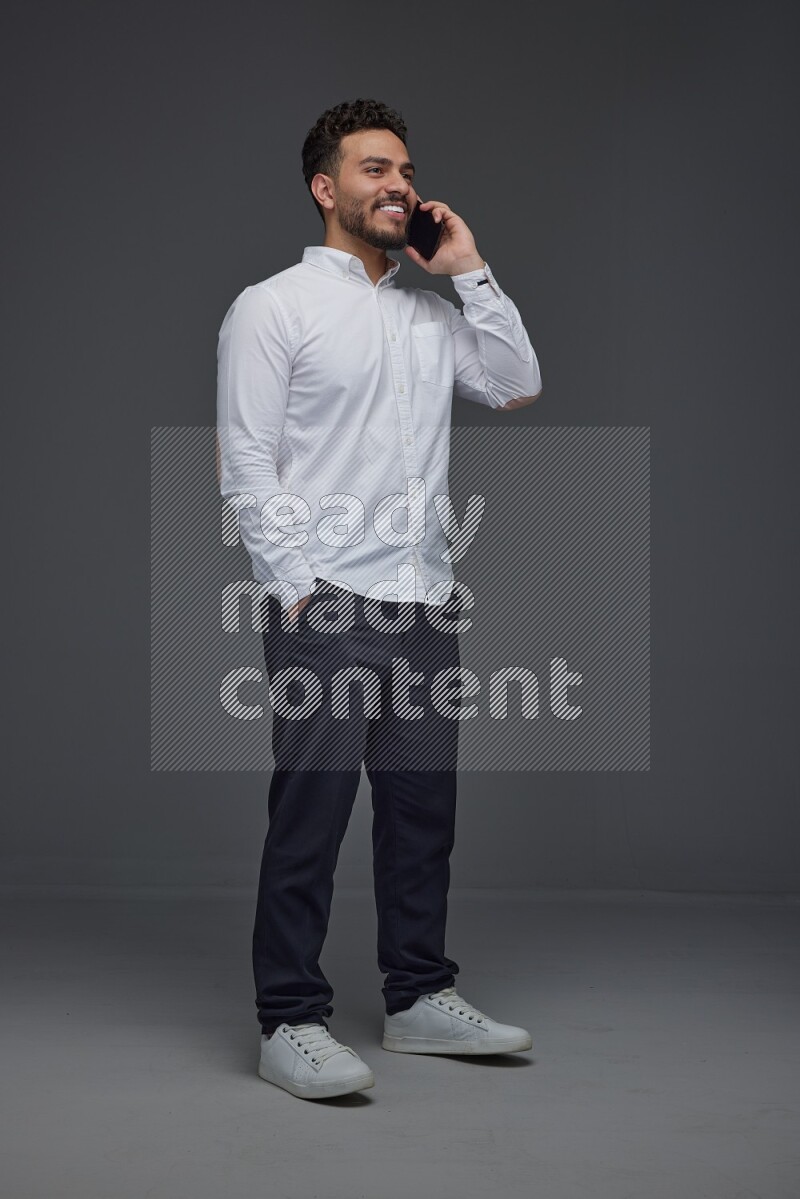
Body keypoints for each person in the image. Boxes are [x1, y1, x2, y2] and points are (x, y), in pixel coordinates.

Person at [216, 98, 542, 1101]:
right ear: (326, 188)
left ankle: (415, 998)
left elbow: (516, 382)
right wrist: (297, 594)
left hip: (422, 606)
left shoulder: (428, 313)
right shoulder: (272, 307)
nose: (398, 183)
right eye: (373, 169)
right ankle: (287, 1016)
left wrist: (470, 270)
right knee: (310, 812)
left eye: (404, 167)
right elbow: (246, 462)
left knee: (419, 811)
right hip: (326, 604)